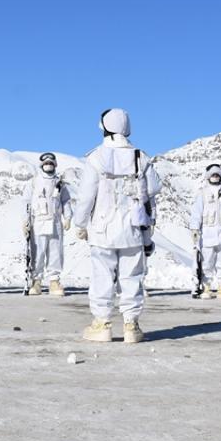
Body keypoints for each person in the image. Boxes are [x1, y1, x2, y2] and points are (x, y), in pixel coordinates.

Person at [74, 109, 162, 343]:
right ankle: (131, 324)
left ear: (104, 127)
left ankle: (102, 324)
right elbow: (153, 188)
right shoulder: (140, 157)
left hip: (103, 228)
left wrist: (80, 222)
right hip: (132, 227)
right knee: (132, 277)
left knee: (102, 276)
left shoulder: (96, 157)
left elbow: (85, 196)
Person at [22, 152, 72, 296]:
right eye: (46, 163)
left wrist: (67, 217)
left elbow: (66, 201)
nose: (48, 165)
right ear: (41, 165)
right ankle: (36, 281)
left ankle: (54, 281)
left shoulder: (60, 183)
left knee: (55, 253)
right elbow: (26, 202)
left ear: (55, 165)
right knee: (38, 253)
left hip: (55, 222)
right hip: (38, 222)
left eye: (51, 163)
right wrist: (25, 221)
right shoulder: (34, 182)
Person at [189, 164, 221, 300]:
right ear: (208, 176)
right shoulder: (202, 193)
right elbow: (197, 212)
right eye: (213, 174)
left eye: (218, 174)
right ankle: (206, 287)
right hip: (207, 232)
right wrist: (195, 228)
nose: (215, 177)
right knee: (207, 261)